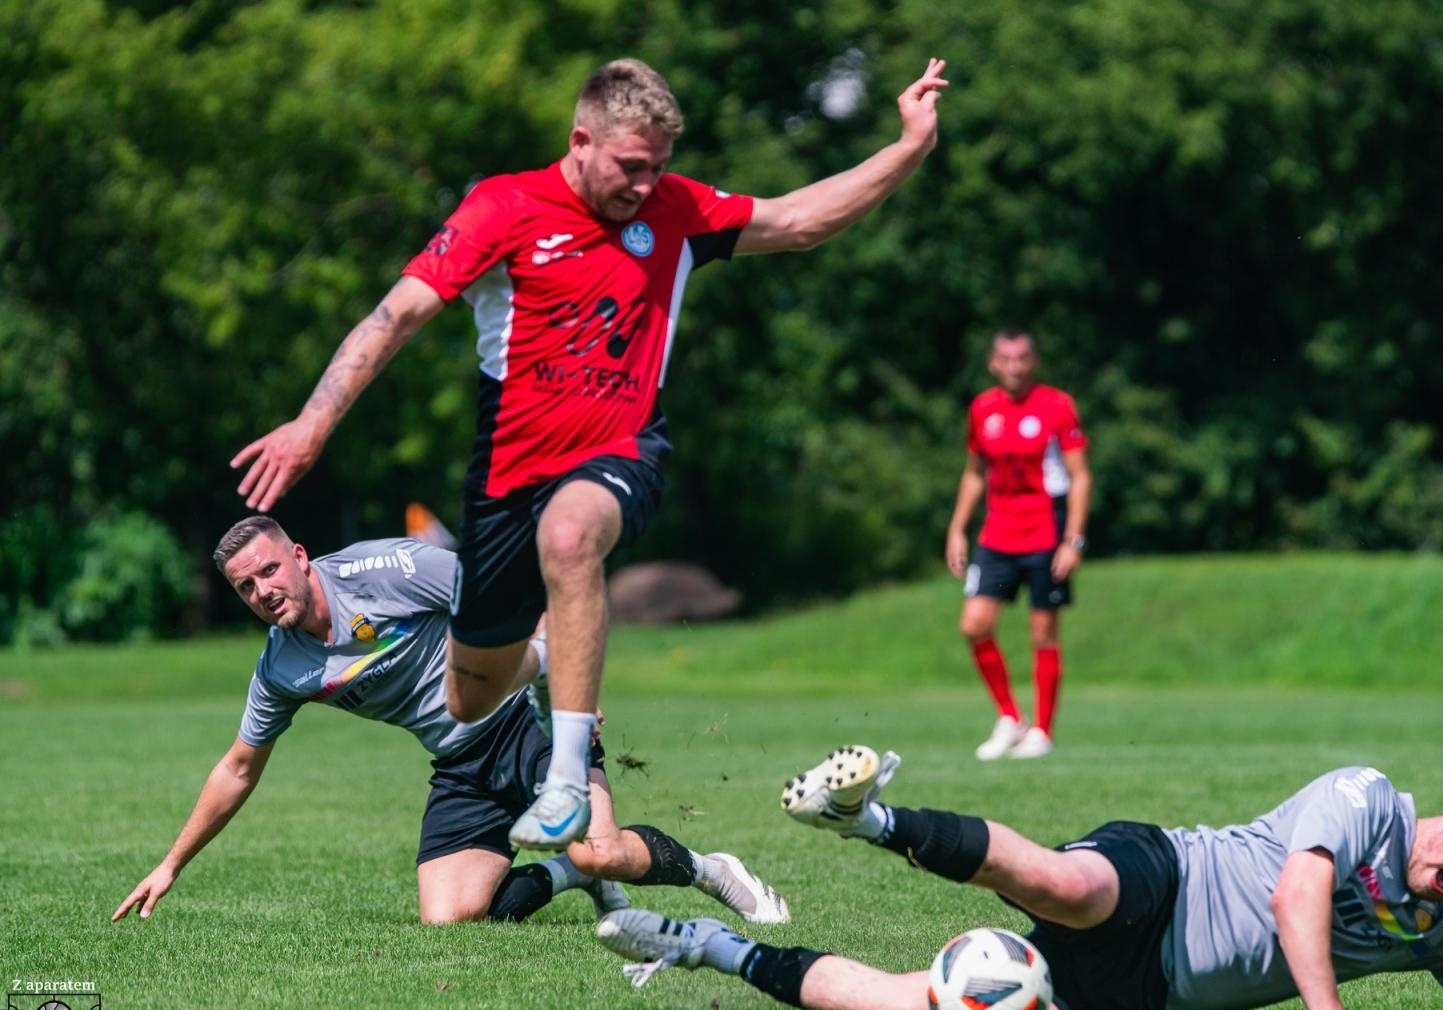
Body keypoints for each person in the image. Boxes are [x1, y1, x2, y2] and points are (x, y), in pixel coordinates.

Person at [230, 56, 950, 850]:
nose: (647, 185)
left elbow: (802, 219)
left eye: (659, 167)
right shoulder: (502, 207)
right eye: (631, 166)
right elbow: (393, 317)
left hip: (620, 450)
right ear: (581, 141)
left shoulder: (677, 210)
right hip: (505, 485)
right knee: (469, 697)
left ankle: (567, 780)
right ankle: (548, 667)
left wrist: (908, 146)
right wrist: (313, 422)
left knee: (570, 534)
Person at [594, 745, 1443, 1010]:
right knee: (1062, 882)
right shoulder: (1367, 796)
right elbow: (1297, 894)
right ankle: (866, 818)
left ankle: (703, 942)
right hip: (1169, 877)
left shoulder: (1437, 927)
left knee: (914, 1003)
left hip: (1141, 993)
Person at [112, 516, 789, 928]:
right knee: (449, 917)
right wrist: (171, 865)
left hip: (528, 721)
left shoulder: (387, 570)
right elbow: (237, 768)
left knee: (602, 850)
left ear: (299, 556)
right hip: (460, 764)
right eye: (246, 587)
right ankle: (572, 876)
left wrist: (568, 688)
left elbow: (514, 598)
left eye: (268, 570)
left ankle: (711, 869)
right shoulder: (282, 668)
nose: (263, 591)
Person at [945, 330, 1090, 760]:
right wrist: (957, 528)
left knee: (1042, 631)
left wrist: (1073, 540)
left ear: (1034, 362)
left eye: (1023, 357)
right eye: (1006, 358)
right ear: (993, 363)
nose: (1015, 366)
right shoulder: (982, 409)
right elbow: (974, 473)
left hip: (1046, 534)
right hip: (998, 536)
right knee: (974, 624)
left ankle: (1042, 731)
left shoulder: (1056, 406)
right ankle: (1010, 718)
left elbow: (1080, 475)